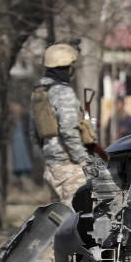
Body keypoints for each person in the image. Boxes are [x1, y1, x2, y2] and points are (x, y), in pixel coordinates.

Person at [31, 42, 90, 205]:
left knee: (58, 218)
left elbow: (34, 132)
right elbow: (69, 131)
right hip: (69, 165)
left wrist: (48, 155)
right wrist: (83, 160)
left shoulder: (39, 92)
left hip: (51, 166)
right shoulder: (63, 92)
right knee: (78, 216)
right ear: (65, 67)